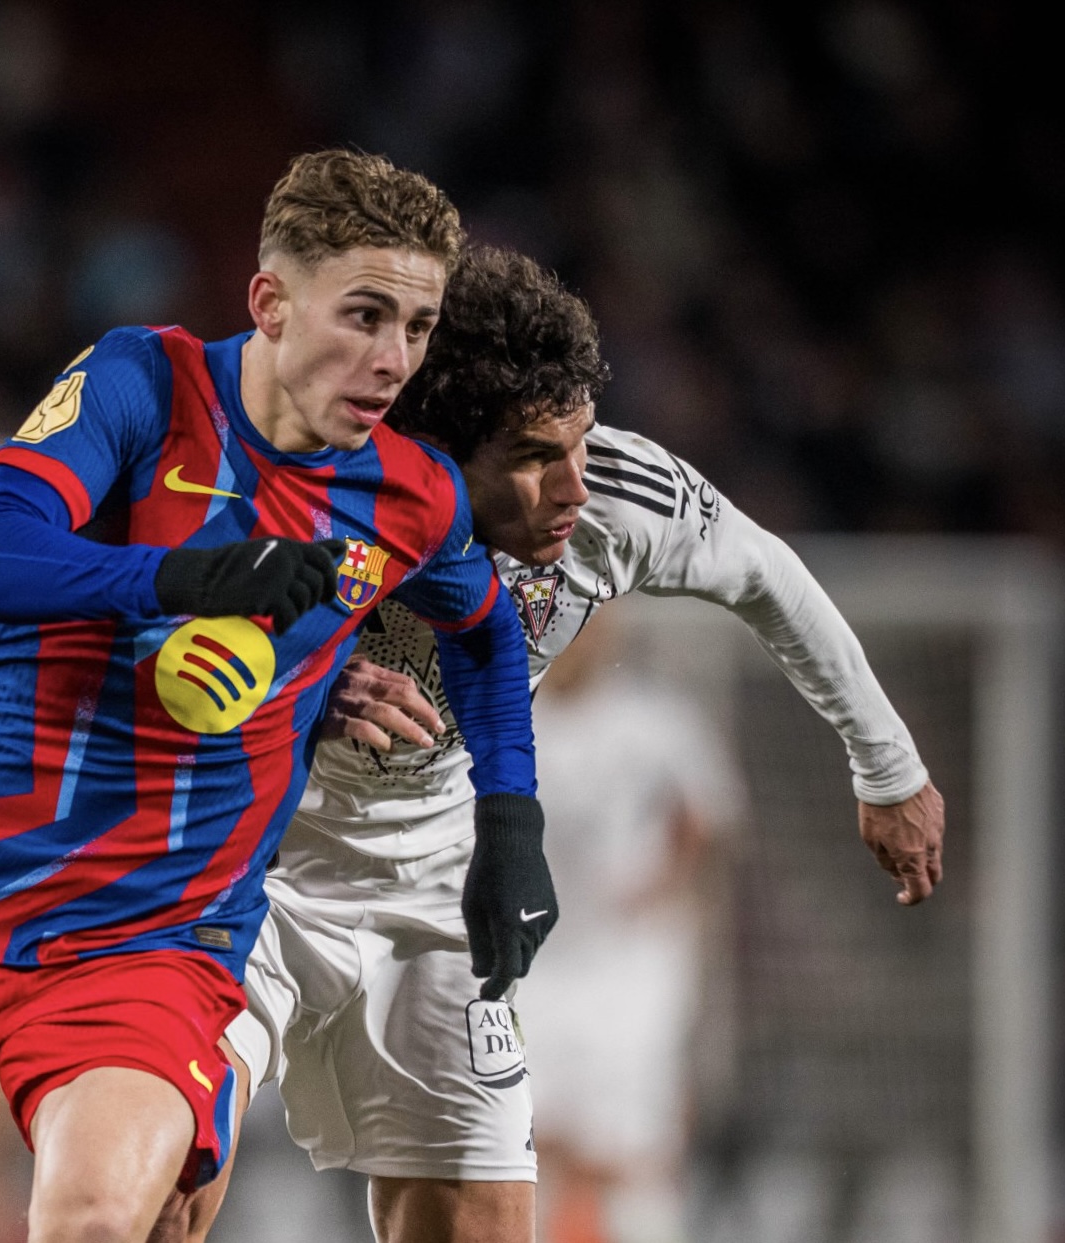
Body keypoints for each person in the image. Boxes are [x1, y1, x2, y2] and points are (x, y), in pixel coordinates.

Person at [0, 153, 560, 1243]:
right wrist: (182, 578)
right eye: (364, 315)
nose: (392, 360)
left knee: (104, 1218)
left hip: (154, 937)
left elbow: (483, 629)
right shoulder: (142, 384)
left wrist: (509, 818)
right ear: (270, 303)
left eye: (417, 327)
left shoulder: (409, 493)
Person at [153, 245, 945, 1243]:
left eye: (577, 439)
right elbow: (135, 640)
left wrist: (887, 766)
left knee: (481, 1221)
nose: (572, 484)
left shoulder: (616, 492)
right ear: (432, 449)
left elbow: (765, 575)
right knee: (163, 1182)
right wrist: (300, 683)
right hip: (258, 865)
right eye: (531, 457)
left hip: (440, 882)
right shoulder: (295, 472)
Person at [523, 609, 744, 1243]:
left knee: (634, 1149)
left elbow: (706, 818)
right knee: (523, 1142)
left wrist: (664, 885)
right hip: (534, 961)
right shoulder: (509, 721)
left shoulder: (655, 720)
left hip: (629, 964)